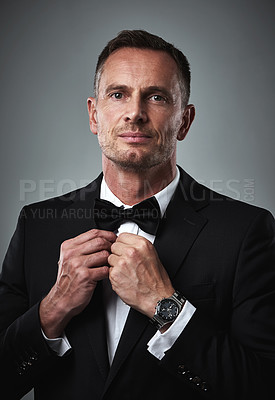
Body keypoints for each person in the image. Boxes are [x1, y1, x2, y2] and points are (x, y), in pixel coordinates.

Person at [0, 29, 274, 400]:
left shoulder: (247, 232)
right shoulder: (35, 226)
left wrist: (167, 307)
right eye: (118, 95)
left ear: (185, 121)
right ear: (94, 115)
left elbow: (261, 385)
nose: (135, 113)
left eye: (157, 97)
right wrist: (54, 308)